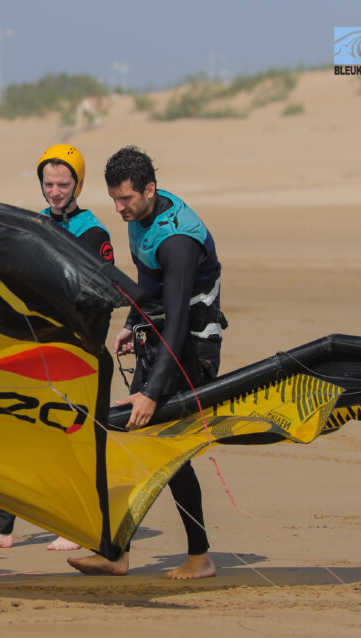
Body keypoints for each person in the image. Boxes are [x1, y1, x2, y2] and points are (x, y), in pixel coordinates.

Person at [68, 145, 225, 580]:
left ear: (149, 189)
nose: (119, 209)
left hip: (190, 347)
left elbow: (177, 320)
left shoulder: (177, 240)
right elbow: (148, 285)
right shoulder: (145, 214)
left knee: (164, 450)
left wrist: (152, 392)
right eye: (114, 199)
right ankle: (121, 553)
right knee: (153, 449)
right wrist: (132, 323)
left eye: (127, 200)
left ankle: (197, 557)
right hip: (160, 340)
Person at [0, 143, 114, 553]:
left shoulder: (94, 232)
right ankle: (1, 528)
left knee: (70, 436)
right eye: (49, 183)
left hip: (75, 352)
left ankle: (75, 523)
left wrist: (85, 346)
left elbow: (101, 295)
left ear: (78, 183)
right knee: (15, 429)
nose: (55, 191)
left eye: (64, 184)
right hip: (33, 346)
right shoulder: (35, 223)